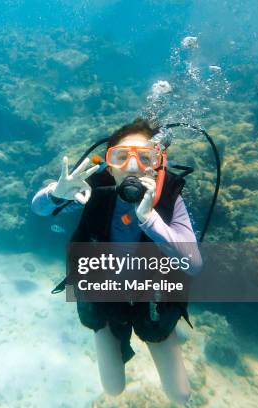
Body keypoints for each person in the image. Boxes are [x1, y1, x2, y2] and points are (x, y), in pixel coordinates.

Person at [31, 118, 202, 404]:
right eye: (121, 157)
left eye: (145, 157)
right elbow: (40, 209)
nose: (133, 167)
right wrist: (56, 194)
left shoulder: (169, 198)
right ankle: (162, 332)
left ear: (157, 163)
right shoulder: (90, 190)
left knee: (180, 394)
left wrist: (150, 220)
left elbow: (194, 264)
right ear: (109, 165)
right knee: (113, 388)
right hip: (104, 295)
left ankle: (171, 330)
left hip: (152, 296)